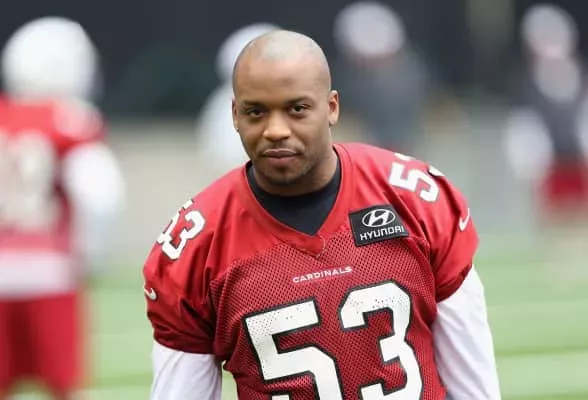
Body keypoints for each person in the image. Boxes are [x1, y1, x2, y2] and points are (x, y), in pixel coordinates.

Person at [143, 30, 501, 399]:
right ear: (235, 114)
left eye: (297, 109)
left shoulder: (413, 199)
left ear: (331, 107)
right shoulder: (197, 244)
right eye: (256, 112)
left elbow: (475, 388)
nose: (276, 130)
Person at [0, 17, 124, 400]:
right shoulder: (70, 119)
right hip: (50, 271)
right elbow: (100, 194)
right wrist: (91, 254)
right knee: (65, 388)